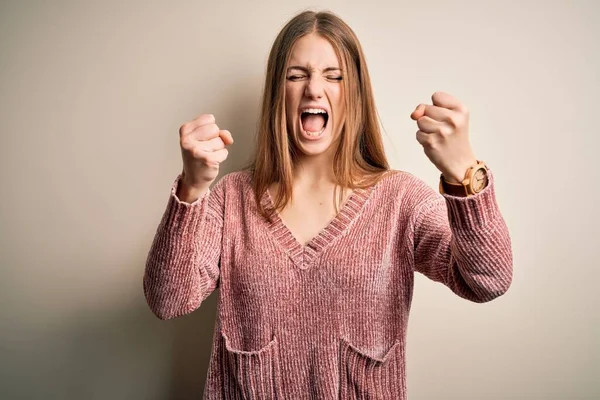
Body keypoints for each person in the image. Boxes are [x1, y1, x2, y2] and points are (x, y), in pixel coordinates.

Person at [143, 10, 513, 400]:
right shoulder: (230, 198)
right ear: (277, 93)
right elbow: (168, 300)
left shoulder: (401, 200)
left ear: (353, 93)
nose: (314, 90)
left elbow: (487, 281)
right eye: (296, 75)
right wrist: (192, 189)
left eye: (333, 76)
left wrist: (465, 173)